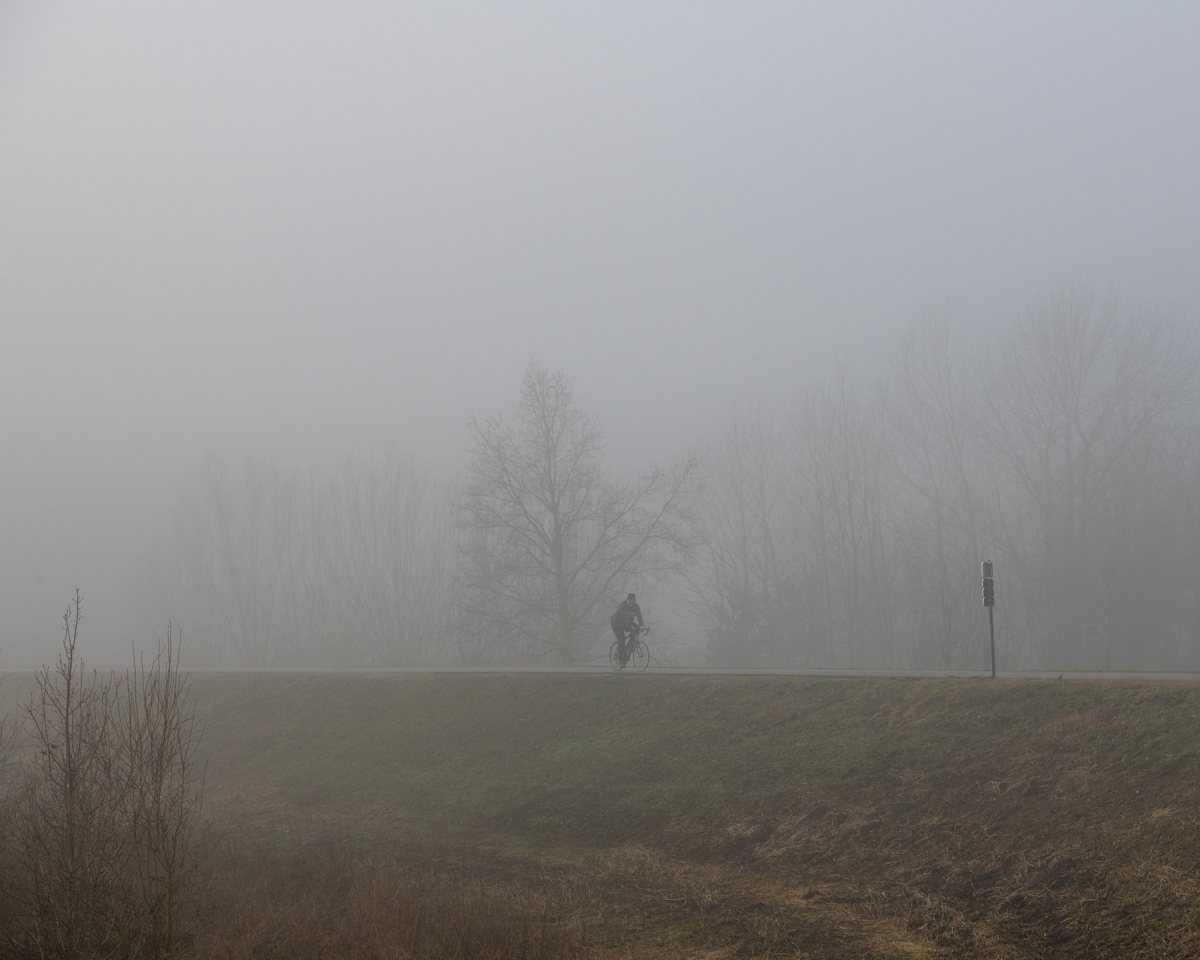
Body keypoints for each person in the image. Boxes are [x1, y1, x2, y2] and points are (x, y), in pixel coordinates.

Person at [609, 593, 644, 669]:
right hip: (617, 623)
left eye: (633, 601)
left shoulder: (636, 606)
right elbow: (624, 617)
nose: (631, 602)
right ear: (627, 600)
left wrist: (641, 625)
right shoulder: (622, 605)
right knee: (621, 640)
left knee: (637, 629)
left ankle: (629, 647)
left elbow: (639, 616)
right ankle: (621, 660)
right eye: (629, 600)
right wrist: (629, 626)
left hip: (627, 623)